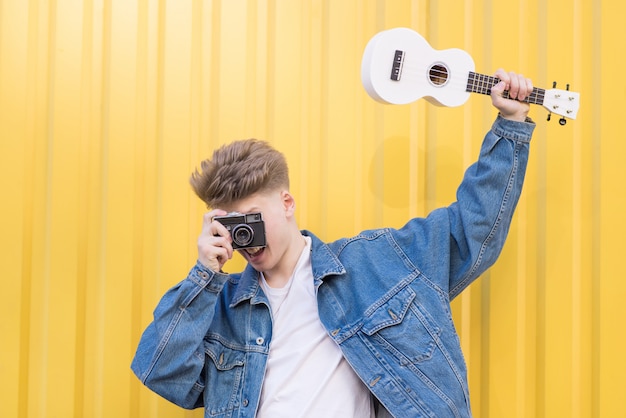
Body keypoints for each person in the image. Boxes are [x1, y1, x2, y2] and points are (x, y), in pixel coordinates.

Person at [131, 69, 535, 418]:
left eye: (252, 218)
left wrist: (511, 124)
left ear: (287, 203)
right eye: (231, 223)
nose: (246, 237)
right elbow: (162, 372)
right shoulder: (224, 307)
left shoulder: (379, 263)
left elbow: (472, 229)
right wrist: (205, 273)